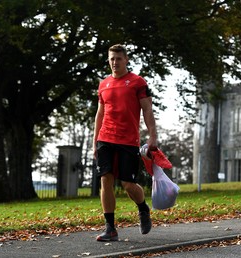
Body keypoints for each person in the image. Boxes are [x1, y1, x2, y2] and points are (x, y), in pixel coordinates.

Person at [93, 44, 158, 241]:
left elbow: (147, 110)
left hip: (128, 140)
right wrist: (94, 141)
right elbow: (100, 114)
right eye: (111, 59)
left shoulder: (138, 82)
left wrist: (152, 136)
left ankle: (143, 208)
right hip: (105, 138)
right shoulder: (103, 84)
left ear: (126, 60)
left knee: (128, 184)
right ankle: (110, 228)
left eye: (118, 58)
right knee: (105, 180)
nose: (114, 62)